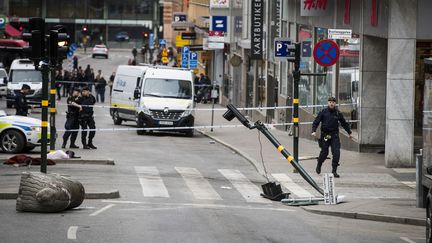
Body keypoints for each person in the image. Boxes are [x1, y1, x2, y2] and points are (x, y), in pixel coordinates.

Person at [312, 97, 353, 178]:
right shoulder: (323, 112)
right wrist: (313, 130)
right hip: (326, 135)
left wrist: (349, 132)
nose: (331, 103)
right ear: (328, 103)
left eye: (333, 102)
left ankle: (334, 171)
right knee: (324, 152)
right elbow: (316, 121)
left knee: (336, 152)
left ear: (335, 104)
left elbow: (344, 123)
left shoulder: (337, 113)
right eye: (330, 102)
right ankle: (319, 163)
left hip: (334, 135)